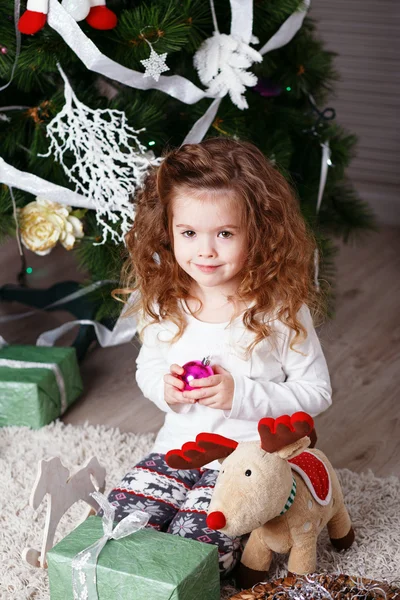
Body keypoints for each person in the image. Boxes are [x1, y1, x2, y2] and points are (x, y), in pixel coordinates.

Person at [107, 137, 332, 578]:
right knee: (122, 522)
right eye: (189, 233)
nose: (205, 250)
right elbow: (147, 368)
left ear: (259, 233)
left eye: (224, 234)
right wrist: (165, 389)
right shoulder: (164, 302)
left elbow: (317, 392)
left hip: (245, 467)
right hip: (174, 448)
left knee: (198, 547)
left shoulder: (280, 309)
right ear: (168, 231)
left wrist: (239, 395)